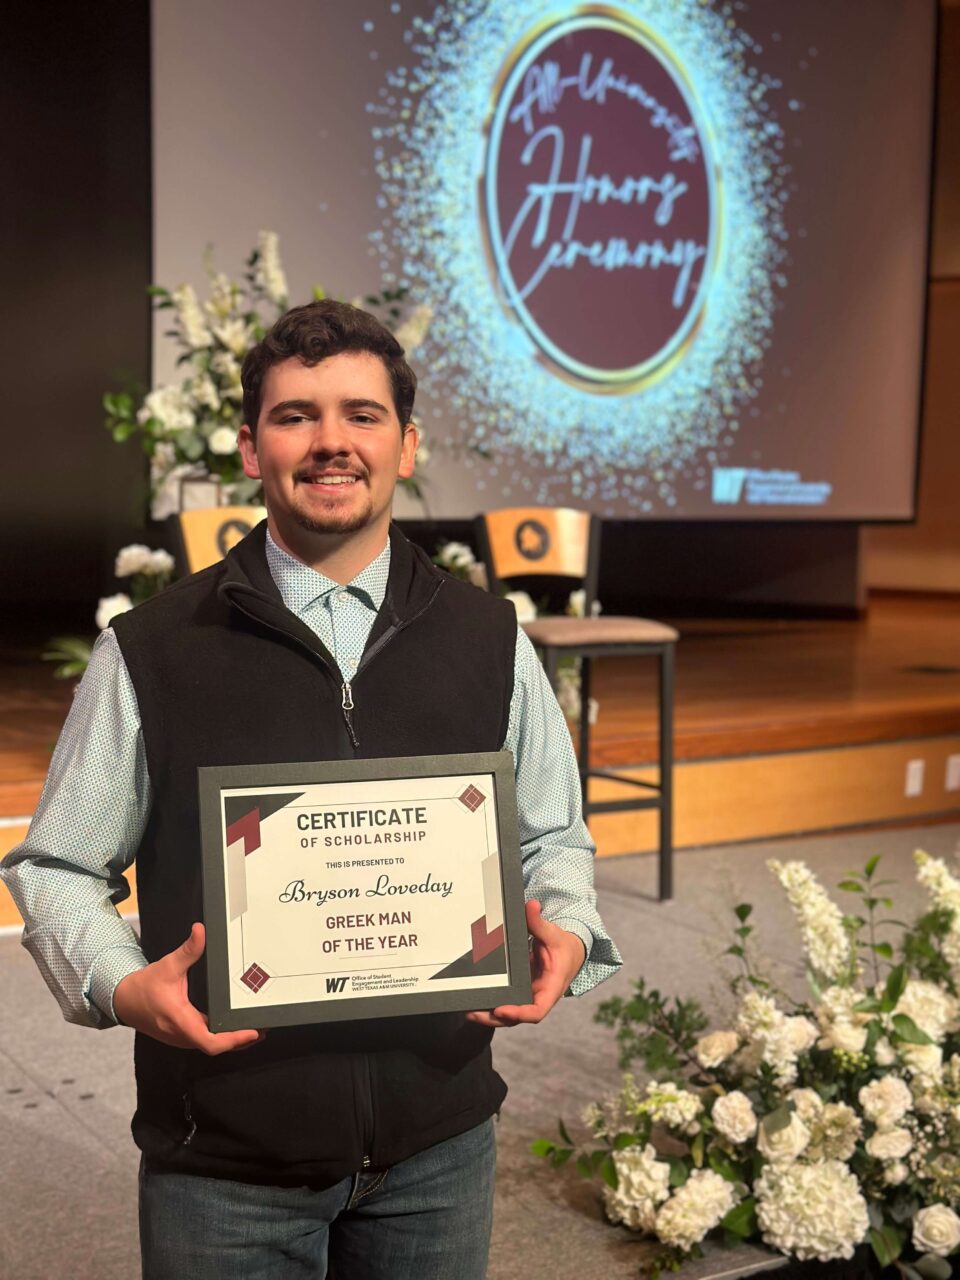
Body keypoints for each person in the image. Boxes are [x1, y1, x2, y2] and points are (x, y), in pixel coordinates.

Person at [2, 300, 621, 1279]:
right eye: (297, 415)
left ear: (407, 444)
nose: (332, 440)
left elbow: (553, 835)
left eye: (362, 414)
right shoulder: (153, 650)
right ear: (251, 446)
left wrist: (568, 926)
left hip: (439, 1151)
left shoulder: (489, 637)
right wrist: (123, 984)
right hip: (226, 1167)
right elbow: (58, 863)